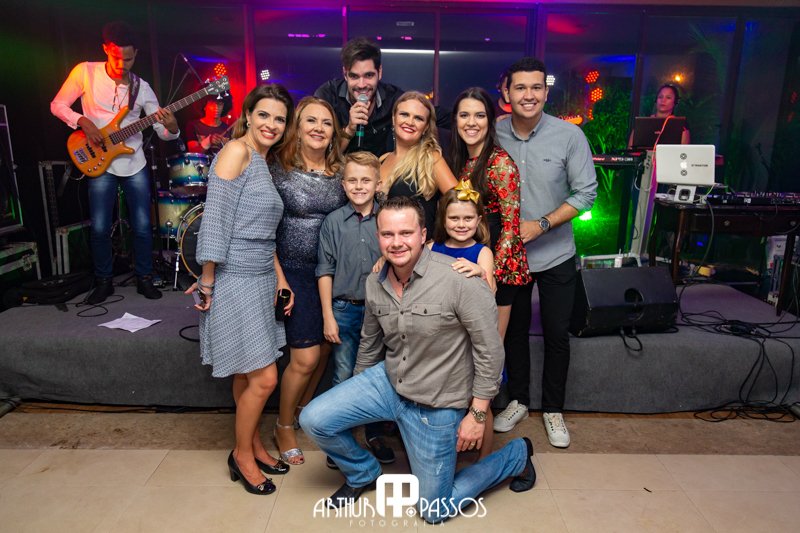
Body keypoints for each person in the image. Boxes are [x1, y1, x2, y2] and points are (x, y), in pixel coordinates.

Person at [300, 196, 536, 523]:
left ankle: (516, 456)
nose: (396, 242)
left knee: (433, 510)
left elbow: (491, 351)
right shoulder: (375, 282)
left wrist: (477, 414)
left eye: (406, 233)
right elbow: (369, 343)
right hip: (389, 381)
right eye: (388, 234)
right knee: (314, 418)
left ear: (423, 235)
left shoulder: (460, 279)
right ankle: (362, 472)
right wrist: (355, 398)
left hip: (437, 401)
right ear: (378, 236)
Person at [185, 83, 296, 495]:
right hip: (235, 278)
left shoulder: (263, 161)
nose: (271, 124)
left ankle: (254, 445)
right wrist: (207, 279)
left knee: (246, 371)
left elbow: (264, 233)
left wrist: (279, 279)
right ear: (248, 114)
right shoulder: (236, 151)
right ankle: (242, 455)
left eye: (280, 119)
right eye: (263, 114)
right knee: (264, 378)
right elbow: (215, 219)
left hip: (260, 275)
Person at [495, 57, 597, 448]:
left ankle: (553, 410)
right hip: (510, 257)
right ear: (506, 92)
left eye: (536, 87)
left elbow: (586, 194)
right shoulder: (493, 132)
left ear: (545, 91)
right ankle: (518, 401)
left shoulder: (569, 135)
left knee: (556, 334)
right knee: (514, 333)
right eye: (520, 87)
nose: (528, 95)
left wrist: (541, 225)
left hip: (556, 254)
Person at [51, 21, 178, 304]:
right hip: (98, 161)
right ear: (105, 49)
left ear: (136, 54)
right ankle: (103, 282)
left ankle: (144, 279)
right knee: (99, 227)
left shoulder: (142, 88)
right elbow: (57, 105)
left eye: (128, 59)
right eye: (116, 58)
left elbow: (162, 131)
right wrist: (82, 121)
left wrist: (172, 127)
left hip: (134, 163)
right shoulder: (85, 72)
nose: (122, 65)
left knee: (142, 225)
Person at [448, 87, 531, 457]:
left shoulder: (499, 163)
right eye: (464, 115)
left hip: (498, 274)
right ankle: (463, 439)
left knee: (487, 356)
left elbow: (510, 229)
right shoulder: (461, 160)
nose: (472, 122)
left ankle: (483, 453)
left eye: (479, 115)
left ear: (490, 120)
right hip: (471, 265)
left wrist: (490, 277)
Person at [269, 96, 349, 465]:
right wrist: (279, 278)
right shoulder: (277, 167)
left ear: (335, 132)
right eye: (311, 121)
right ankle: (283, 425)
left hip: (331, 273)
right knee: (306, 357)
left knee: (327, 348)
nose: (318, 128)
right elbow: (261, 229)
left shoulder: (343, 171)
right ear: (297, 128)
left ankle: (303, 410)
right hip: (291, 271)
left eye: (326, 122)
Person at [316, 151, 395, 468]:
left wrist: (387, 257)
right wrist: (328, 316)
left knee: (378, 376)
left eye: (366, 180)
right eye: (352, 180)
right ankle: (343, 441)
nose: (359, 186)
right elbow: (325, 270)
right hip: (344, 309)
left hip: (382, 312)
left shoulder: (388, 219)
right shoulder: (333, 222)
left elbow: (408, 253)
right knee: (344, 375)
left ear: (378, 184)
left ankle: (374, 434)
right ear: (343, 184)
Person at [315, 37, 452, 157]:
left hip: (379, 174)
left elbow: (436, 114)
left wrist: (464, 118)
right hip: (337, 174)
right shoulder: (328, 96)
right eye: (354, 76)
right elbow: (320, 154)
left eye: (369, 75)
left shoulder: (393, 98)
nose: (361, 85)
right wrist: (349, 129)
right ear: (345, 73)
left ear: (379, 72)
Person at [379, 91, 458, 240]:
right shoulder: (382, 160)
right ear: (394, 118)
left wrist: (438, 242)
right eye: (404, 114)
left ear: (426, 126)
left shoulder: (431, 158)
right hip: (382, 249)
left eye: (418, 118)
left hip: (418, 251)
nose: (410, 122)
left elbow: (462, 204)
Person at [429, 187, 496, 295]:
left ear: (478, 220)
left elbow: (489, 297)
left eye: (468, 218)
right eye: (454, 218)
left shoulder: (483, 253)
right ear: (444, 220)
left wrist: (482, 275)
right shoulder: (430, 249)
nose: (461, 225)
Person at [627, 83, 690, 148]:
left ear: (675, 102)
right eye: (660, 97)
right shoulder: (643, 123)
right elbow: (631, 148)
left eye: (668, 97)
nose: (663, 100)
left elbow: (684, 151)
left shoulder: (681, 125)